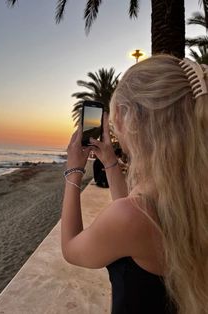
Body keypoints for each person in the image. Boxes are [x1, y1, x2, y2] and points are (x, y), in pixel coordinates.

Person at [61, 55, 208, 314]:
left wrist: (74, 172)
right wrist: (109, 160)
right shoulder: (188, 193)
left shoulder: (134, 217)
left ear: (126, 117)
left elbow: (72, 248)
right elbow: (130, 215)